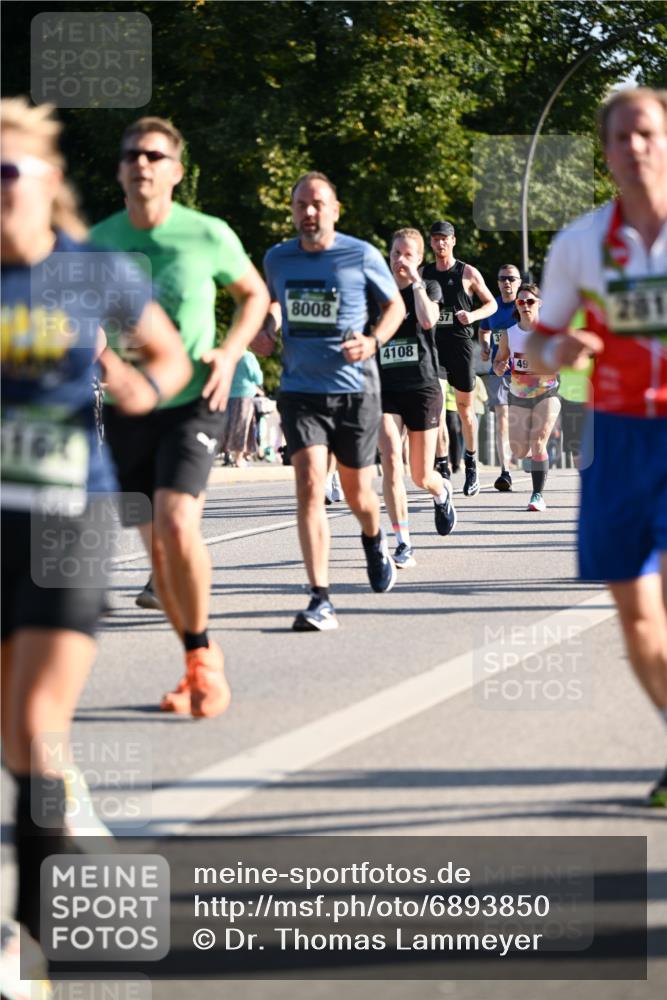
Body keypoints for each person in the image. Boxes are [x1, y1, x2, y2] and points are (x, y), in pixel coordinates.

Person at [0, 98, 190, 984]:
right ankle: (69, 859)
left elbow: (169, 358)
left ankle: (33, 936)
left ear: (45, 183)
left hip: (68, 517)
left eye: (9, 172)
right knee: (16, 741)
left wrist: (140, 386)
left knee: (36, 724)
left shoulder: (92, 271)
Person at [92, 116, 269, 716]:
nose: (141, 163)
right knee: (156, 552)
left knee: (173, 524)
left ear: (175, 172)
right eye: (131, 155)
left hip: (195, 396)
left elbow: (254, 295)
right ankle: (197, 656)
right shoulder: (100, 241)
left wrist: (233, 349)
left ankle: (203, 665)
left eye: (153, 155)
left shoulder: (207, 235)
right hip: (128, 405)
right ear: (120, 171)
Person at [526, 87, 667, 806]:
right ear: (605, 152)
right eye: (620, 138)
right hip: (615, 438)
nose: (634, 147)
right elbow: (535, 349)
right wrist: (558, 346)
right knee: (635, 611)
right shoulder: (579, 244)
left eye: (646, 133)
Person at [253, 171, 405, 630]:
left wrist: (373, 341)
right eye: (301, 205)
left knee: (360, 494)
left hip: (356, 389)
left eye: (317, 204)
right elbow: (276, 303)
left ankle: (374, 537)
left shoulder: (360, 254)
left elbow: (394, 306)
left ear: (335, 210)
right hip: (300, 390)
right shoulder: (278, 258)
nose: (309, 212)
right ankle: (320, 596)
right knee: (308, 486)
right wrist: (269, 327)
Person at [376, 228, 456, 567]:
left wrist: (416, 284)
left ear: (419, 259)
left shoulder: (429, 288)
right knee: (392, 457)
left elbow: (427, 320)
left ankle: (442, 492)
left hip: (422, 387)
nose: (400, 261)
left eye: (408, 255)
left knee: (420, 476)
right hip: (386, 388)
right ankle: (402, 540)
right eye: (396, 254)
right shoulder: (377, 294)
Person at [422, 221, 497, 496]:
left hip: (461, 347)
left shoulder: (467, 272)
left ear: (453, 241)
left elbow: (492, 303)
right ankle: (442, 469)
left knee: (465, 412)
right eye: (436, 239)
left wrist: (473, 316)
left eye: (445, 239)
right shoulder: (424, 273)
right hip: (434, 350)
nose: (440, 243)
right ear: (431, 243)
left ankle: (471, 463)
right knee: (439, 412)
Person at [493, 283, 560, 511]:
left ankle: (537, 495)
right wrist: (500, 367)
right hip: (519, 394)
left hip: (547, 392)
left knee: (538, 441)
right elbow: (499, 362)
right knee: (520, 450)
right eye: (520, 302)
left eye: (530, 301)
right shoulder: (509, 334)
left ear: (539, 303)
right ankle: (536, 455)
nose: (525, 305)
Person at [479, 263, 522, 490]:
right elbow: (483, 329)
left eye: (512, 278)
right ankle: (505, 471)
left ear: (519, 282)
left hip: (527, 374)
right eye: (503, 278)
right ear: (497, 282)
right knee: (502, 420)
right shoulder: (491, 306)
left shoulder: (526, 305)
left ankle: (524, 457)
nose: (507, 282)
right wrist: (485, 347)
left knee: (522, 424)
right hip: (499, 372)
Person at [218, 349, 264, 466]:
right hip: (245, 394)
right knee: (242, 426)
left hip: (228, 394)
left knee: (229, 425)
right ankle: (239, 458)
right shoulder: (248, 356)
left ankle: (227, 455)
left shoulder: (227, 354)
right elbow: (257, 377)